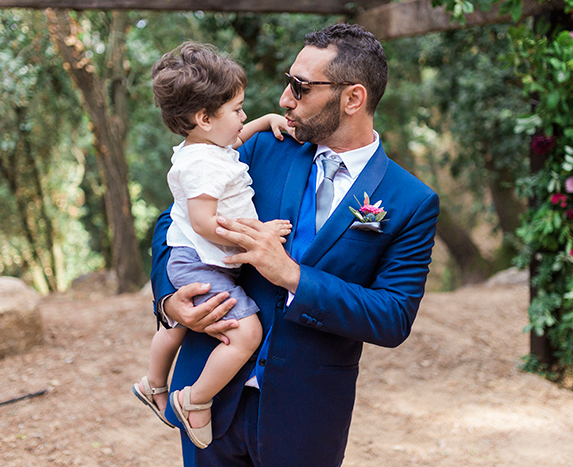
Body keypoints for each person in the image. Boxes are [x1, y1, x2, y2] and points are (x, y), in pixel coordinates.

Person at [149, 23, 439, 466]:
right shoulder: (258, 146)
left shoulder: (410, 201)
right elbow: (174, 221)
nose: (285, 99)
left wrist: (292, 276)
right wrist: (171, 302)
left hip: (306, 417)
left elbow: (393, 316)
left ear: (353, 98)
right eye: (289, 82)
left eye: (300, 88)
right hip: (208, 399)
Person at [132, 41, 294, 449]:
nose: (244, 116)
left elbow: (234, 140)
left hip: (193, 260)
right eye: (238, 110)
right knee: (245, 334)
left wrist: (263, 122)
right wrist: (255, 236)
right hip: (200, 262)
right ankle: (193, 399)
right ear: (204, 117)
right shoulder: (203, 163)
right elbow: (204, 223)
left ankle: (152, 381)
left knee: (177, 326)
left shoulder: (206, 148)